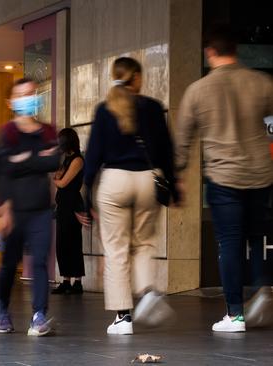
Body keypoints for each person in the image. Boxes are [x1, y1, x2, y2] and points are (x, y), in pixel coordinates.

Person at [174, 25, 273, 332]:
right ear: (236, 50)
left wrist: (177, 175)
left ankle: (235, 314)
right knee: (257, 236)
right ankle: (264, 289)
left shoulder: (198, 90)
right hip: (260, 174)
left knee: (229, 242)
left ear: (210, 52)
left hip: (223, 176)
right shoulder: (262, 82)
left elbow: (182, 139)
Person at [83, 57, 178, 335]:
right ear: (136, 78)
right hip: (148, 179)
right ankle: (147, 291)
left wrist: (86, 192)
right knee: (144, 243)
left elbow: (93, 155)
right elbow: (166, 150)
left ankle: (123, 317)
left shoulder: (104, 110)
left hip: (114, 181)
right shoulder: (152, 107)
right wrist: (171, 183)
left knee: (116, 250)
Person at [0, 77, 60, 337]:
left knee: (40, 261)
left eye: (31, 93)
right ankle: (2, 308)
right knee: (9, 264)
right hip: (13, 209)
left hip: (41, 208)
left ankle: (39, 315)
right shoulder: (6, 133)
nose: (28, 98)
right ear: (12, 102)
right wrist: (37, 158)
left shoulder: (48, 131)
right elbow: (3, 169)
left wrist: (23, 159)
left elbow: (53, 162)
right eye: (22, 95)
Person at [52, 128, 85, 295]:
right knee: (62, 244)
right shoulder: (66, 159)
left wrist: (56, 179)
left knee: (73, 243)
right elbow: (58, 177)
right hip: (63, 205)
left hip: (73, 205)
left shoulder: (77, 160)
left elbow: (62, 182)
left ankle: (77, 281)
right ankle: (66, 280)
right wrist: (57, 178)